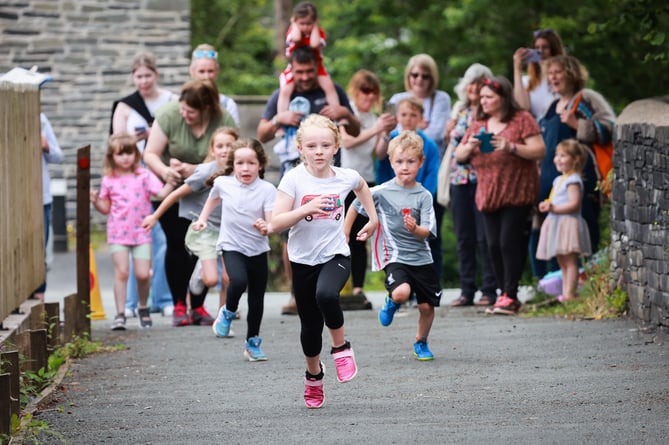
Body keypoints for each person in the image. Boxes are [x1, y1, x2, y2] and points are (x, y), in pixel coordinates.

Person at [269, 114, 378, 409]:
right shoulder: (293, 179)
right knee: (310, 327)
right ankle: (314, 375)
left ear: (336, 147)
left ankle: (341, 348)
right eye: (312, 146)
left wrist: (373, 218)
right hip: (302, 261)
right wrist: (308, 208)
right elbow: (276, 222)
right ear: (300, 148)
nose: (319, 151)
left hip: (335, 254)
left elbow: (362, 187)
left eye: (325, 145)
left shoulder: (345, 176)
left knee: (327, 295)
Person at [257, 45, 361, 316]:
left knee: (330, 223)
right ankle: (296, 291)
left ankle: (330, 285)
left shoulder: (333, 91)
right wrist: (278, 119)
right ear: (292, 70)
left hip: (328, 175)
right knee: (291, 231)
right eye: (298, 72)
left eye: (309, 71)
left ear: (318, 68)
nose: (304, 77)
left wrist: (345, 114)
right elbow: (262, 133)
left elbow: (355, 127)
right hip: (294, 170)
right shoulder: (282, 95)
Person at [143, 79, 236, 327]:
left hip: (207, 189)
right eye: (182, 109)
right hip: (173, 187)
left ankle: (197, 306)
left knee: (202, 247)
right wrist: (165, 172)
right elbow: (149, 153)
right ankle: (178, 304)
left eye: (191, 111)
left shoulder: (223, 118)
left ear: (206, 108)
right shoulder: (169, 114)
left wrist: (192, 168)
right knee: (177, 245)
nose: (184, 115)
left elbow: (229, 159)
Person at [345, 130, 441, 360]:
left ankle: (421, 342)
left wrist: (415, 229)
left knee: (427, 308)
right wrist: (345, 234)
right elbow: (355, 205)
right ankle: (391, 301)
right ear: (391, 162)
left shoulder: (425, 196)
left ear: (421, 162)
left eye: (411, 161)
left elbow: (427, 232)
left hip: (422, 258)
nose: (405, 167)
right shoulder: (380, 191)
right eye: (399, 161)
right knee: (401, 292)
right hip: (394, 255)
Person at [454, 76, 546, 315]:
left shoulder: (522, 120)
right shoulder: (478, 123)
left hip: (517, 191)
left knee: (508, 242)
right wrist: (469, 147)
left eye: (488, 97)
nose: (483, 101)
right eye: (482, 97)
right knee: (492, 244)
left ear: (503, 98)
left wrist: (511, 147)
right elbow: (459, 155)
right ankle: (503, 294)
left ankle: (510, 294)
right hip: (488, 192)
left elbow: (540, 150)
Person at [531, 55, 615, 278]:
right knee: (553, 237)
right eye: (550, 73)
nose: (553, 77)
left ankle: (588, 281)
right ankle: (555, 284)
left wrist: (578, 124)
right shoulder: (550, 107)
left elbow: (610, 128)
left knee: (583, 231)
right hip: (551, 182)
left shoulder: (586, 99)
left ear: (572, 74)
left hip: (581, 180)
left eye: (558, 72)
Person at [193, 139, 277, 361]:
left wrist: (265, 227)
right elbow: (212, 201)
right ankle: (228, 312)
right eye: (240, 163)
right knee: (238, 281)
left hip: (258, 249)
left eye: (251, 163)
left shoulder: (267, 189)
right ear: (233, 165)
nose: (245, 168)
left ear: (260, 165)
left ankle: (252, 343)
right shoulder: (223, 183)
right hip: (232, 245)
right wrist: (202, 219)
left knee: (256, 300)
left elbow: (271, 223)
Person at [110, 51, 176, 317]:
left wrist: (155, 135)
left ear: (156, 74)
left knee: (165, 240)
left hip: (164, 171)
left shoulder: (170, 99)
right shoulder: (125, 106)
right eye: (139, 76)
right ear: (133, 77)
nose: (144, 81)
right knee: (138, 240)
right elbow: (117, 141)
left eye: (148, 75)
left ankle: (163, 297)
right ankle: (131, 303)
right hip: (135, 176)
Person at [90, 134, 173, 330]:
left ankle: (142, 306)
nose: (125, 158)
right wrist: (95, 201)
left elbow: (160, 194)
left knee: (143, 274)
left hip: (142, 232)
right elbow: (106, 208)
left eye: (129, 153)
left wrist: (171, 181)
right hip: (118, 233)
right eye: (120, 154)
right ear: (112, 156)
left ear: (136, 154)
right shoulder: (109, 179)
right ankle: (120, 314)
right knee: (122, 272)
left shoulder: (143, 175)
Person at [388, 54, 451, 284]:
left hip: (424, 196)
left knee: (430, 239)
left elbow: (432, 169)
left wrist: (425, 196)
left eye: (425, 75)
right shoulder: (392, 140)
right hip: (397, 197)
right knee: (401, 239)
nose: (419, 79)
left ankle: (430, 285)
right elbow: (385, 165)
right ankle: (402, 284)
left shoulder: (429, 144)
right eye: (414, 75)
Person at [339, 69, 396, 307]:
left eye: (373, 92)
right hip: (343, 181)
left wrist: (384, 133)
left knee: (360, 238)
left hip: (366, 181)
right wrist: (375, 130)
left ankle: (359, 287)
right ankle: (340, 285)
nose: (369, 96)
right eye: (365, 90)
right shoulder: (347, 112)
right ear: (355, 89)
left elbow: (379, 153)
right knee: (342, 233)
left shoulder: (374, 119)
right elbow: (347, 142)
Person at [444, 63, 498, 307]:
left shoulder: (491, 114)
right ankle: (467, 289)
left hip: (482, 179)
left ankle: (489, 289)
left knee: (484, 237)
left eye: (480, 82)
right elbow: (453, 144)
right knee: (464, 237)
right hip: (459, 180)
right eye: (471, 83)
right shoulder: (461, 112)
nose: (475, 88)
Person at [536, 139, 592, 302]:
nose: (557, 159)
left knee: (570, 260)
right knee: (562, 260)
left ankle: (569, 293)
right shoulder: (559, 179)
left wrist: (553, 208)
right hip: (556, 222)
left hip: (567, 223)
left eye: (563, 156)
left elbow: (574, 204)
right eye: (556, 156)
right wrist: (548, 205)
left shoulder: (573, 180)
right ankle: (566, 291)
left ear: (575, 159)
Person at [277, 2, 340, 116]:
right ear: (296, 21)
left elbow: (314, 44)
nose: (305, 27)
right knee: (285, 90)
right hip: (294, 66)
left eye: (309, 23)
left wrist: (315, 26)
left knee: (329, 86)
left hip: (317, 66)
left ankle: (337, 114)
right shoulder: (293, 31)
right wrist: (294, 24)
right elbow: (296, 39)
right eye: (302, 23)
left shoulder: (318, 33)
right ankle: (282, 118)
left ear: (315, 21)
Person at [32, 113, 63, 300]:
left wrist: (46, 146)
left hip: (40, 195)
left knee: (39, 249)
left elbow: (58, 156)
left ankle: (38, 298)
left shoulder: (41, 118)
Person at [512, 28, 566, 120]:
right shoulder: (526, 81)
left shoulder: (563, 79)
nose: (540, 52)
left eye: (545, 47)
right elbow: (522, 108)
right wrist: (517, 69)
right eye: (536, 48)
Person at [189, 43, 240, 127]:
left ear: (217, 71)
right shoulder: (181, 105)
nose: (206, 77)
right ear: (192, 71)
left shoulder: (228, 105)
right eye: (201, 71)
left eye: (210, 71)